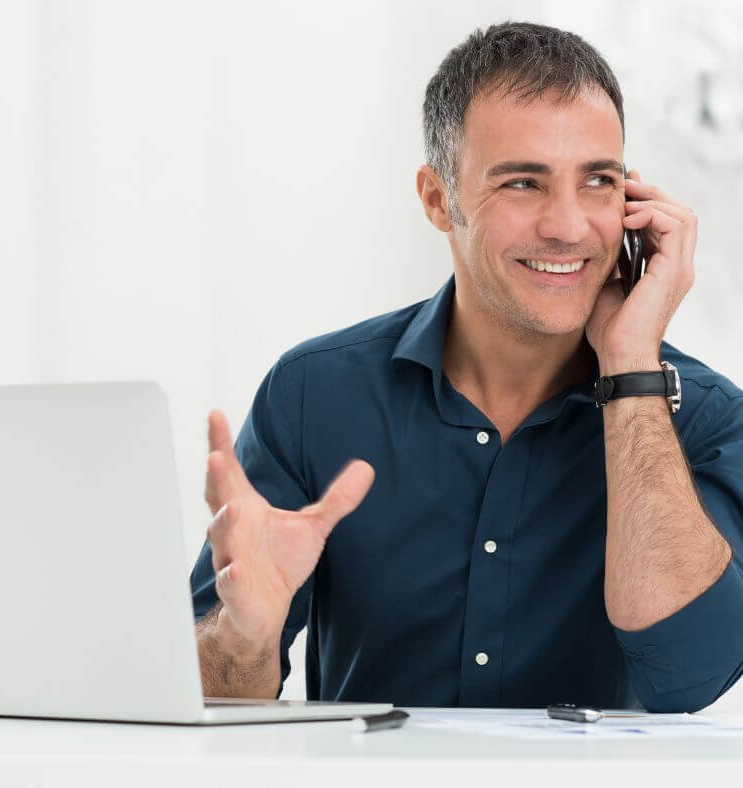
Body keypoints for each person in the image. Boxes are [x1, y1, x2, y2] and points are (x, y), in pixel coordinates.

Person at [189, 21, 743, 713]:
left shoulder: (705, 414)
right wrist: (246, 636)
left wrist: (631, 367)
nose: (569, 226)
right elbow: (205, 699)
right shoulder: (315, 394)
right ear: (436, 199)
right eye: (522, 183)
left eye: (598, 181)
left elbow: (689, 676)